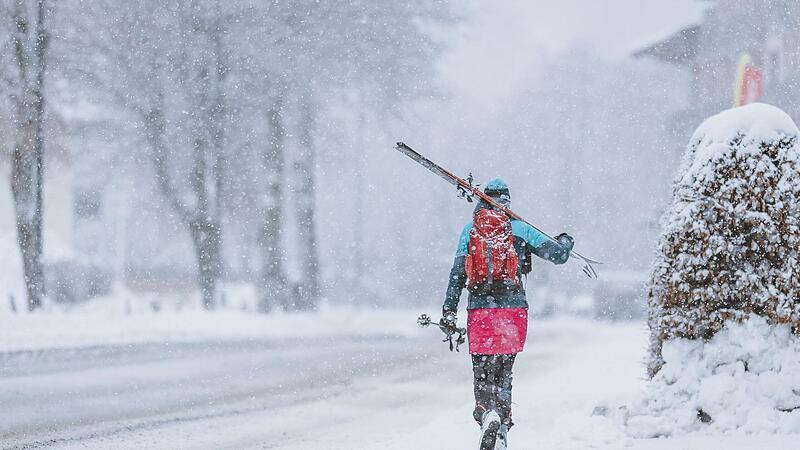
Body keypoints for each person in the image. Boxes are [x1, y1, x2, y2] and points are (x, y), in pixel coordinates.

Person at [441, 178, 574, 449]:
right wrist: (565, 241)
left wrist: (449, 311)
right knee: (504, 371)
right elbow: (558, 256)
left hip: (479, 311)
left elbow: (457, 275)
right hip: (512, 312)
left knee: (482, 371)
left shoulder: (470, 231)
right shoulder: (521, 230)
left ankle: (486, 413)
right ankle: (501, 423)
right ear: (507, 203)